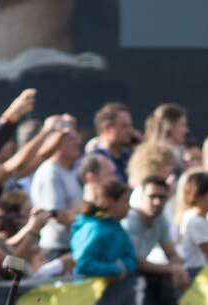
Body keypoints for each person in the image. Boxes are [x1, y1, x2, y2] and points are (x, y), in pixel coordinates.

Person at [123, 175, 190, 300]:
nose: (157, 202)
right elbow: (137, 262)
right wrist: (172, 269)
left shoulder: (160, 219)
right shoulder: (129, 221)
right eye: (152, 196)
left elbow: (172, 254)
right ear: (141, 197)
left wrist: (178, 269)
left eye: (162, 197)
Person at [30, 122, 83, 260]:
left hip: (72, 244)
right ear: (56, 143)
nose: (78, 142)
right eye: (71, 139)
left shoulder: (72, 170)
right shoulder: (50, 172)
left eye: (77, 138)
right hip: (56, 250)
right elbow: (57, 215)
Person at [71, 180, 137, 280]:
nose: (129, 206)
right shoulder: (94, 228)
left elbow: (130, 257)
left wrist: (124, 268)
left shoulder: (118, 228)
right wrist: (115, 270)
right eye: (125, 201)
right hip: (89, 288)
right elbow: (83, 264)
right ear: (110, 202)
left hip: (114, 286)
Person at [92, 102, 136, 184]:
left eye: (130, 126)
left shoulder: (129, 157)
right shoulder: (95, 161)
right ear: (107, 127)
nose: (130, 131)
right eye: (124, 126)